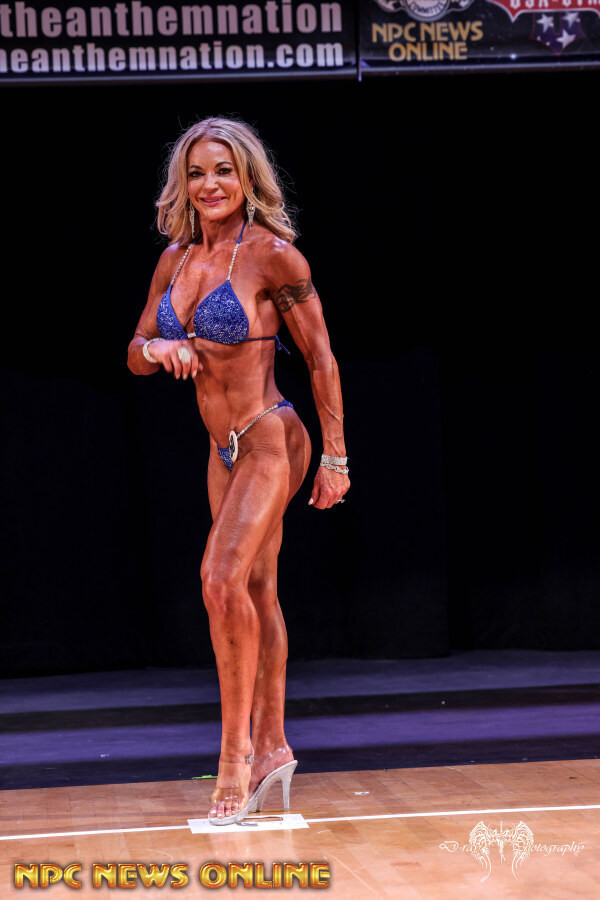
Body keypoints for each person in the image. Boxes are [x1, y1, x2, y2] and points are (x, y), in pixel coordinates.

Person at [127, 117, 349, 825]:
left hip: (270, 438)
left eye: (223, 170)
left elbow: (320, 358)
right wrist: (160, 350)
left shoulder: (274, 256)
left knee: (219, 580)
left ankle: (235, 758)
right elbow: (135, 349)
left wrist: (336, 457)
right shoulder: (176, 259)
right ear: (183, 184)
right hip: (221, 450)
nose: (210, 184)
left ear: (247, 177)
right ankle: (275, 746)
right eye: (197, 172)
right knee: (253, 589)